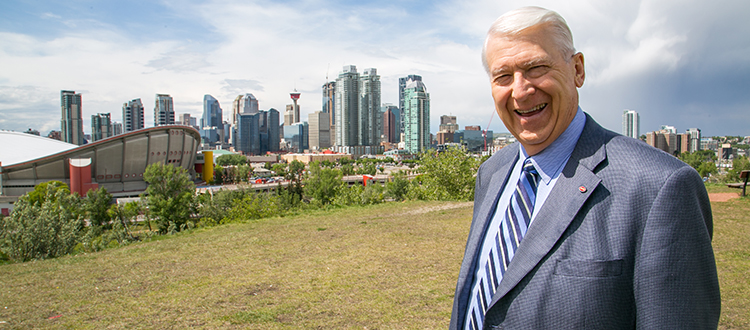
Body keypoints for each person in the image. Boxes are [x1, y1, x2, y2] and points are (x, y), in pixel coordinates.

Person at [450, 6, 720, 330]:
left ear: (577, 69)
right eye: (503, 76)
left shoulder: (660, 187)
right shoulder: (492, 173)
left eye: (536, 68)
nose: (520, 91)